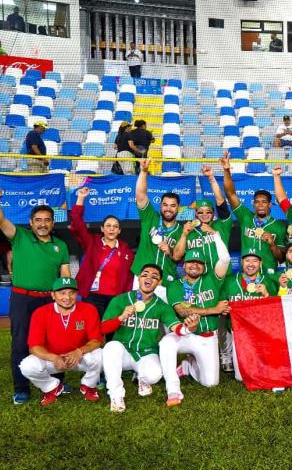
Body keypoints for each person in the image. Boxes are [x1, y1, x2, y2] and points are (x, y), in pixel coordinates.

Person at [0, 198, 71, 405]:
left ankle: (57, 383)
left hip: (50, 301)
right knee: (21, 343)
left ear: (52, 223)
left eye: (47, 220)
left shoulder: (61, 246)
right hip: (23, 299)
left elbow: (65, 274)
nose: (42, 224)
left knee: (54, 342)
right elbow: (2, 220)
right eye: (38, 220)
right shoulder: (19, 236)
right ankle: (21, 389)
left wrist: (66, 296)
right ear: (31, 223)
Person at [101, 264, 199, 412]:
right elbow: (103, 328)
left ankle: (142, 379)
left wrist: (189, 328)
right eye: (145, 274)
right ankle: (116, 395)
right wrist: (121, 317)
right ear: (139, 278)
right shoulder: (120, 300)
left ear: (158, 283)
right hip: (124, 353)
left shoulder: (161, 306)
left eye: (154, 277)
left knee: (154, 375)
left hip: (146, 353)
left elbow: (176, 327)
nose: (149, 278)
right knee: (110, 347)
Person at [160, 227, 231, 407]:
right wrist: (214, 309)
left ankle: (188, 367)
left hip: (207, 337)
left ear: (204, 267)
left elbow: (225, 259)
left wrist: (216, 235)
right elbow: (183, 311)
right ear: (184, 265)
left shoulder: (212, 280)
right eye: (190, 261)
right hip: (185, 335)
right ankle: (173, 389)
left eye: (199, 263)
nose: (194, 265)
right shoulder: (175, 285)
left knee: (211, 383)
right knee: (167, 342)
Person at [19, 277, 104, 406]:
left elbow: (97, 340)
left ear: (77, 294)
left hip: (79, 357)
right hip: (53, 360)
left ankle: (89, 386)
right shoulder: (40, 313)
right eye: (62, 293)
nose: (67, 297)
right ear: (53, 295)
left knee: (101, 355)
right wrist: (53, 357)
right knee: (27, 366)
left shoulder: (89, 309)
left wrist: (79, 351)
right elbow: (34, 347)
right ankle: (52, 387)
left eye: (71, 293)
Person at [70, 187, 135, 330]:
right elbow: (77, 223)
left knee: (113, 332)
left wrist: (125, 298)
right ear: (102, 229)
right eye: (108, 226)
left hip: (115, 299)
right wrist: (81, 198)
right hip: (93, 297)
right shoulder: (92, 242)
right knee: (93, 331)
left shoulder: (126, 250)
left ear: (119, 230)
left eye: (115, 226)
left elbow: (129, 277)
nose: (111, 229)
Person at [221, 152, 285, 274]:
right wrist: (226, 171)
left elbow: (281, 258)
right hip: (247, 273)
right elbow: (230, 194)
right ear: (253, 204)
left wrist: (272, 245)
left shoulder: (279, 227)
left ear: (270, 205)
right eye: (257, 202)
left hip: (268, 275)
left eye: (264, 202)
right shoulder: (245, 216)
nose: (260, 205)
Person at [133, 159, 183, 290]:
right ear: (160, 206)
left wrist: (170, 251)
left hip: (166, 281)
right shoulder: (150, 217)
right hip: (141, 277)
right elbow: (140, 195)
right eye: (165, 205)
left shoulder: (183, 231)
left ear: (178, 208)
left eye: (173, 206)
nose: (168, 209)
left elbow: (179, 258)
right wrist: (144, 171)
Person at [173, 166, 233, 268]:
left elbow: (220, 201)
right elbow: (176, 257)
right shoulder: (188, 231)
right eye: (200, 212)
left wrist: (211, 179)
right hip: (201, 278)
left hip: (223, 277)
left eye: (208, 211)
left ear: (214, 213)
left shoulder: (222, 225)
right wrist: (184, 235)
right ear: (195, 214)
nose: (204, 215)